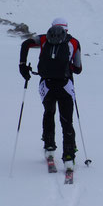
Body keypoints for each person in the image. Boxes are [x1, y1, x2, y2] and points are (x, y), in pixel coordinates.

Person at [19, 18, 82, 168]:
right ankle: (68, 155)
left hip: (46, 85)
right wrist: (67, 66)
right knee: (67, 120)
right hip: (65, 85)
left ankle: (49, 147)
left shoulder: (42, 39)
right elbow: (78, 69)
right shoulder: (74, 42)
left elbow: (25, 44)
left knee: (49, 113)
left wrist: (22, 65)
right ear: (66, 29)